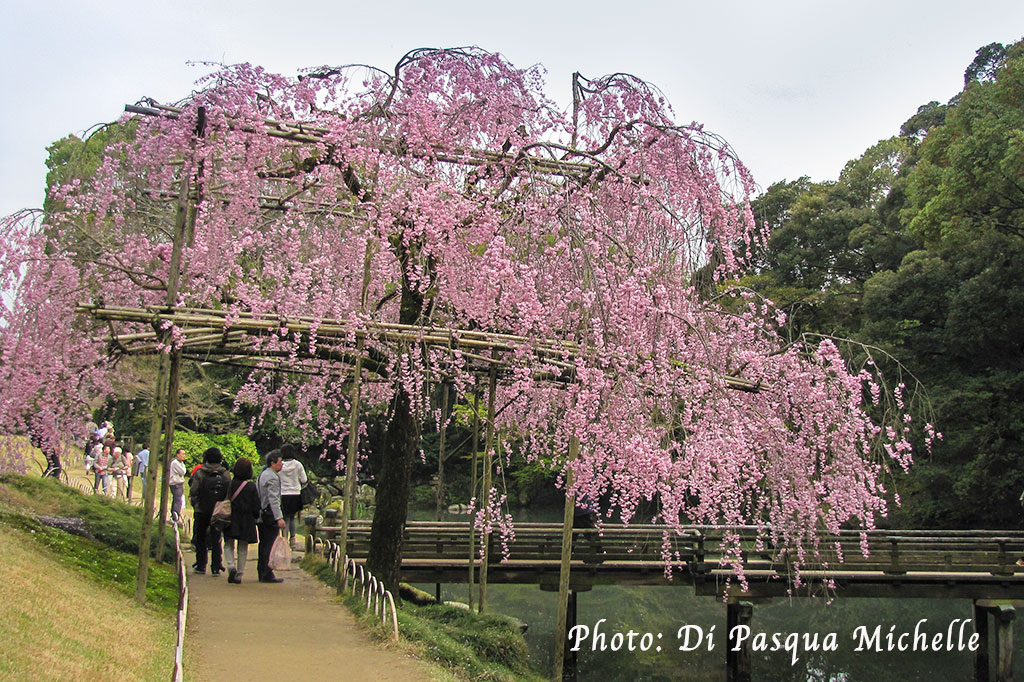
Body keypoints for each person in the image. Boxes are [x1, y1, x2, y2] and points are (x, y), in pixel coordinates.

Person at [189, 447, 230, 575]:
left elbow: (194, 490)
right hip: (218, 510)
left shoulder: (200, 472)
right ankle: (216, 565)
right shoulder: (225, 473)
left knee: (201, 537)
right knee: (216, 537)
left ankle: (201, 564)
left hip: (202, 509)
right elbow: (228, 491)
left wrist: (195, 502)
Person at [223, 457, 260, 584]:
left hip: (230, 517)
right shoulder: (251, 486)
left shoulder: (230, 484)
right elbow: (256, 505)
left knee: (228, 544)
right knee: (243, 547)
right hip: (246, 519)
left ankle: (230, 566)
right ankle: (239, 573)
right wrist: (256, 516)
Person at [256, 449, 286, 583]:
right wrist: (279, 517)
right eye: (280, 462)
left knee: (263, 543)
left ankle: (262, 570)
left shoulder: (263, 474)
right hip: (269, 514)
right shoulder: (272, 478)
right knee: (269, 544)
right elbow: (273, 499)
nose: (282, 465)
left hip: (262, 513)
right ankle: (266, 572)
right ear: (273, 463)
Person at [278, 443, 308, 550]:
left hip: (283, 493)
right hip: (295, 493)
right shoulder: (298, 464)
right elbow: (304, 479)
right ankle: (293, 540)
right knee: (292, 517)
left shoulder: (280, 465)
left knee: (285, 517)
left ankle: (284, 538)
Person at [168, 448, 188, 525]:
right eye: (182, 454)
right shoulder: (175, 463)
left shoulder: (181, 463)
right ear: (177, 454)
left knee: (177, 500)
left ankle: (174, 515)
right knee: (178, 501)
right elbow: (183, 472)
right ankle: (175, 517)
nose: (184, 456)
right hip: (175, 484)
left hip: (179, 483)